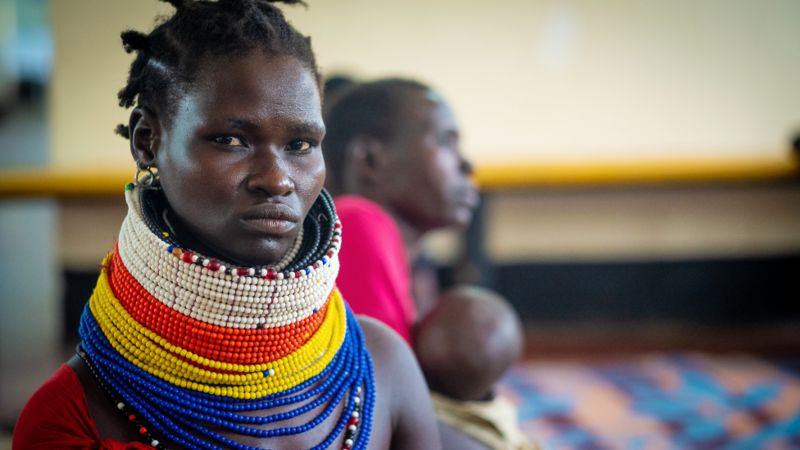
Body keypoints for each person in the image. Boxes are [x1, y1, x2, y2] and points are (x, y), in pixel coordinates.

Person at [12, 2, 440, 449]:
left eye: (301, 144)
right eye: (230, 140)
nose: (276, 179)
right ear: (146, 140)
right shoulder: (73, 418)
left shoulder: (383, 365)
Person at [324, 78, 537, 450]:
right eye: (445, 141)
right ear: (370, 160)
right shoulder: (359, 222)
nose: (468, 164)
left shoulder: (389, 248)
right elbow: (376, 420)